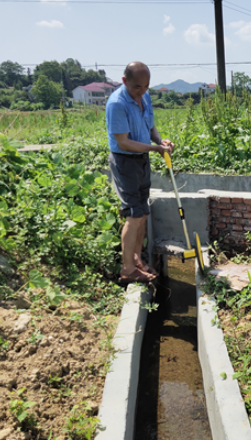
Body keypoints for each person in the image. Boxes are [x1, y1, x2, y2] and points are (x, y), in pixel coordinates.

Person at [106, 62, 174, 284]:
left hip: (142, 160)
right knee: (134, 214)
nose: (142, 91)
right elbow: (124, 142)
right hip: (126, 163)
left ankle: (136, 259)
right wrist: (155, 149)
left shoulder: (144, 97)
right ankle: (127, 271)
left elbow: (150, 127)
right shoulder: (117, 104)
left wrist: (159, 140)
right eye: (137, 87)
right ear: (124, 81)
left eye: (146, 86)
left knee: (143, 213)